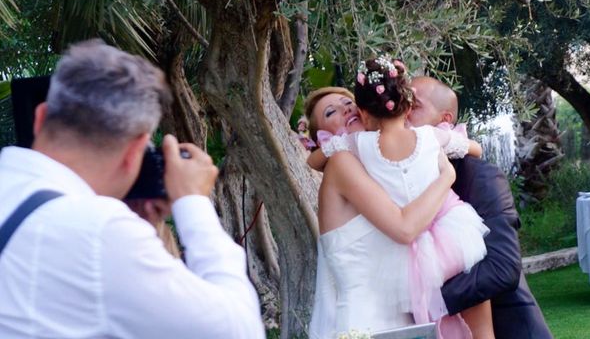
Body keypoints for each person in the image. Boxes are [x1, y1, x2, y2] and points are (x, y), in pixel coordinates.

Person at [0, 39, 265, 339]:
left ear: (40, 116)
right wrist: (193, 202)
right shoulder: (101, 232)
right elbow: (239, 330)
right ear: (135, 151)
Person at [310, 58, 493, 338]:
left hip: (403, 321)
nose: (347, 112)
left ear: (364, 111)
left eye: (349, 106)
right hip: (363, 324)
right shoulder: (343, 164)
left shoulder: (367, 160)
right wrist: (446, 177)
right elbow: (404, 228)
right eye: (332, 112)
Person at [409, 76, 553, 339]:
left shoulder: (480, 176)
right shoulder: (396, 180)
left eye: (413, 105)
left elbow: (502, 268)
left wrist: (420, 303)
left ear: (445, 121)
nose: (402, 112)